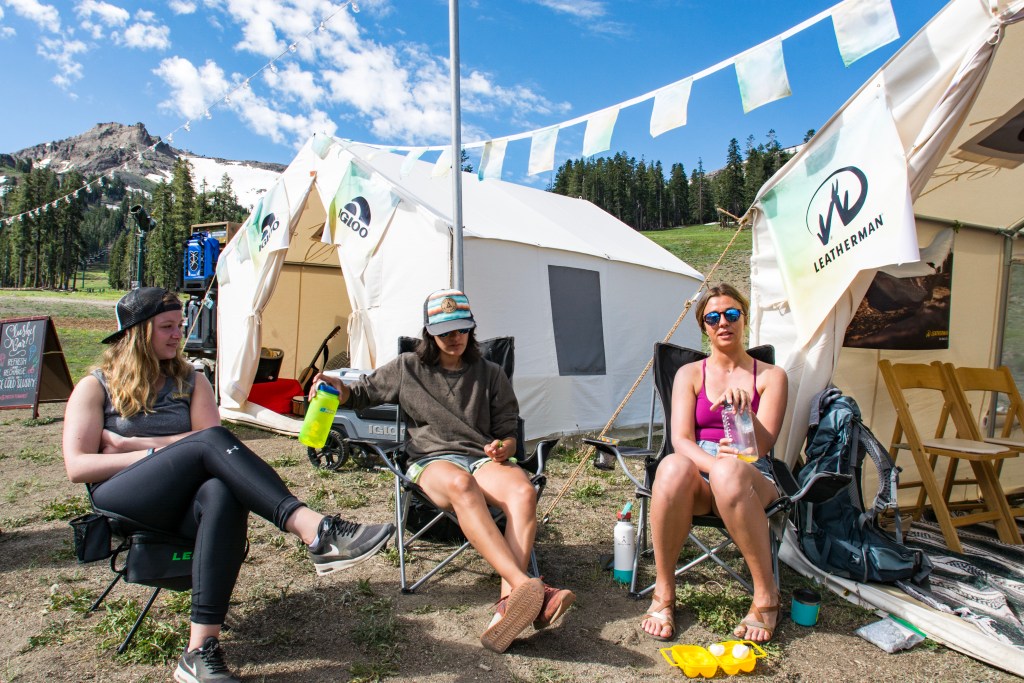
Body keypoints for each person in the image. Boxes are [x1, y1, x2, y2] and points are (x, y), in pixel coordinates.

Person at [62, 287, 396, 683]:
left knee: (222, 490)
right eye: (166, 327)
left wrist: (132, 442)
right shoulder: (95, 386)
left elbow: (212, 450)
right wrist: (148, 456)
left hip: (182, 497)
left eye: (179, 326)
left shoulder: (191, 381)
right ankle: (313, 529)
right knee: (210, 441)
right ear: (137, 333)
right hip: (126, 497)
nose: (177, 335)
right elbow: (79, 466)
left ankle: (198, 652)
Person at [310, 289, 574, 654]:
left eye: (462, 330)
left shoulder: (491, 374)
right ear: (429, 333)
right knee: (462, 484)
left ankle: (508, 603)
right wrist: (338, 388)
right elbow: (360, 393)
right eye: (446, 332)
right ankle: (524, 584)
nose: (455, 338)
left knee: (523, 491)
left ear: (471, 329)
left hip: (480, 458)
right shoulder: (407, 368)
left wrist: (504, 447)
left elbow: (509, 433)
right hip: (430, 462)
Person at [639, 283, 787, 644]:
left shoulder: (770, 377)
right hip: (704, 475)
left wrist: (743, 416)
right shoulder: (689, 374)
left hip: (752, 478)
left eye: (732, 314)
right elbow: (681, 441)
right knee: (672, 467)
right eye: (714, 317)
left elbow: (761, 450)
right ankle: (664, 591)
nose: (724, 322)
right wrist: (712, 464)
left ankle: (767, 597)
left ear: (745, 319)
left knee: (729, 470)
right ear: (704, 326)